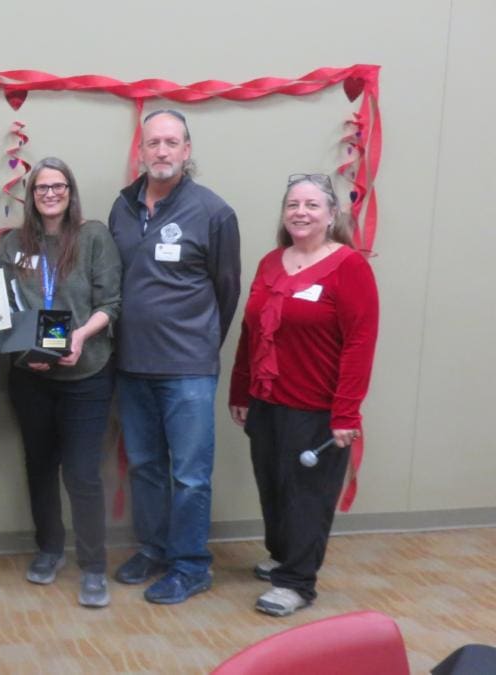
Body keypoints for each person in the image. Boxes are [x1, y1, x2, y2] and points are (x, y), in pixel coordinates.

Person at [229, 173, 378, 617]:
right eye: (293, 204)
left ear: (332, 215)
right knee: (272, 485)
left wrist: (346, 413)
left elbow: (359, 343)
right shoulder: (271, 262)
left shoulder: (350, 266)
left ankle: (296, 582)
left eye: (312, 205)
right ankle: (281, 554)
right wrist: (240, 388)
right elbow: (250, 331)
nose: (301, 212)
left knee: (306, 494)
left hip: (317, 407)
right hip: (266, 400)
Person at [108, 109, 241, 604]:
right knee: (144, 466)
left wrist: (200, 344)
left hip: (187, 370)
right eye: (153, 143)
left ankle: (191, 565)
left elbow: (227, 291)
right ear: (140, 151)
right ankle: (155, 549)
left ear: (187, 150)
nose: (161, 151)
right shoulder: (121, 207)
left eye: (171, 142)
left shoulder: (214, 212)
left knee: (189, 474)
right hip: (132, 365)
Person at [0, 157, 122, 608]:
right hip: (31, 376)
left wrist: (80, 336)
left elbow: (111, 301)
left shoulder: (94, 237)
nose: (50, 194)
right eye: (41, 187)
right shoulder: (12, 243)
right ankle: (49, 550)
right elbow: (4, 308)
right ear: (30, 195)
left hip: (85, 371)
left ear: (70, 191)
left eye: (59, 186)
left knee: (83, 473)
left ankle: (92, 567)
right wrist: (24, 350)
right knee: (39, 466)